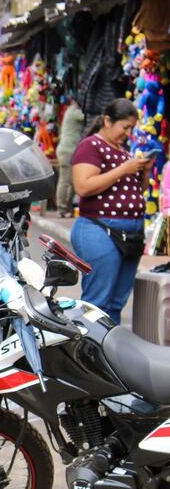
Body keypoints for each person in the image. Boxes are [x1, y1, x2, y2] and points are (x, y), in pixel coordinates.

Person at [71, 98, 151, 324]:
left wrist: (143, 173)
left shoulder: (123, 152)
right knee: (98, 302)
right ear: (107, 120)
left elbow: (135, 189)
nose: (127, 133)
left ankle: (108, 352)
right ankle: (89, 353)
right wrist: (123, 170)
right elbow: (83, 186)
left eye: (131, 129)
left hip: (130, 234)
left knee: (116, 302)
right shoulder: (91, 146)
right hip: (100, 230)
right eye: (124, 127)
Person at [56, 99, 85, 217]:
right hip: (68, 150)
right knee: (66, 180)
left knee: (70, 181)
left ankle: (66, 208)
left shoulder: (71, 110)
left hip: (68, 150)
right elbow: (87, 117)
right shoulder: (74, 111)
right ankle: (62, 209)